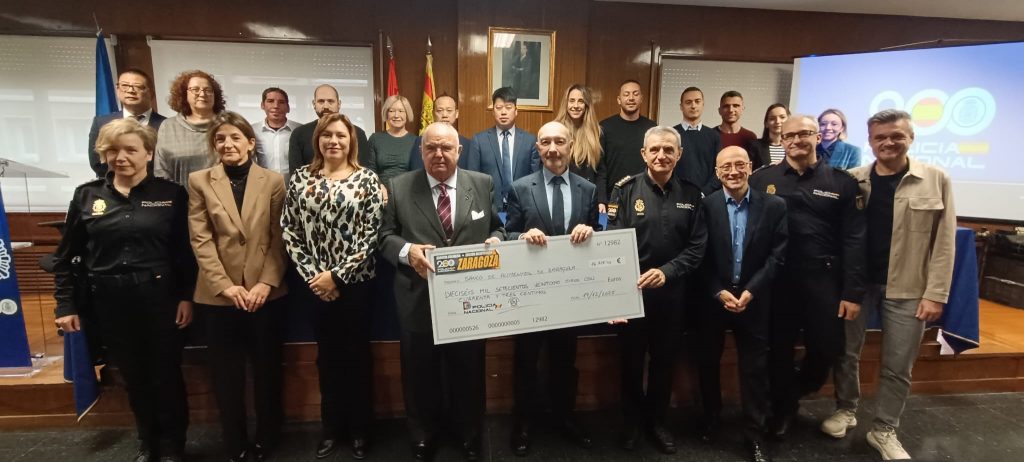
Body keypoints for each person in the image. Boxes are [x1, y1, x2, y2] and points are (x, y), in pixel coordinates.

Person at [53, 118, 195, 462]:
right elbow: (66, 256)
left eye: (131, 150)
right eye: (113, 150)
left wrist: (186, 296)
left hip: (160, 299)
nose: (121, 157)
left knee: (166, 375)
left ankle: (174, 445)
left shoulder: (171, 194)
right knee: (133, 377)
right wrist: (65, 305)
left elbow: (184, 253)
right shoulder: (87, 196)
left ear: (149, 153)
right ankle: (148, 442)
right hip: (110, 302)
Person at [822, 110, 956, 461]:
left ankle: (884, 429)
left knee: (898, 364)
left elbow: (944, 243)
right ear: (869, 141)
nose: (888, 143)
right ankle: (846, 409)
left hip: (909, 286)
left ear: (911, 137)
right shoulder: (854, 180)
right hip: (857, 286)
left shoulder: (935, 179)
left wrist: (936, 294)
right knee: (846, 352)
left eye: (897, 136)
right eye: (880, 137)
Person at [380, 122, 505, 461]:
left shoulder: (482, 183)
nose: (438, 154)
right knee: (419, 373)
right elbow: (385, 236)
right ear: (421, 151)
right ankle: (423, 434)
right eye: (431, 147)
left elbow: (497, 226)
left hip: (470, 299)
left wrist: (497, 240)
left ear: (459, 151)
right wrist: (408, 252)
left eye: (446, 147)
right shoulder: (399, 186)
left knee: (469, 370)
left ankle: (469, 433)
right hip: (418, 297)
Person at [749, 115, 865, 440]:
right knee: (779, 348)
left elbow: (854, 240)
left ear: (817, 137)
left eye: (804, 134)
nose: (797, 140)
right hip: (778, 280)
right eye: (790, 135)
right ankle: (783, 409)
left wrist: (852, 292)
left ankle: (799, 387)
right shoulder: (763, 179)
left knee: (827, 348)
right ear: (781, 140)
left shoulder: (841, 182)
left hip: (823, 279)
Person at [281, 113, 384, 460]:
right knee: (326, 358)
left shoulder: (367, 179)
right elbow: (289, 230)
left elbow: (371, 234)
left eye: (341, 135)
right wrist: (317, 276)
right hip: (314, 286)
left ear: (351, 140)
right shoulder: (301, 178)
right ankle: (331, 428)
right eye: (327, 135)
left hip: (357, 284)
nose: (334, 141)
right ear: (318, 140)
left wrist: (336, 276)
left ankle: (360, 430)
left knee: (357, 356)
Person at [187, 111, 288, 462]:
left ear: (249, 142)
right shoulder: (199, 181)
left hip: (265, 294)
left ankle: (268, 437)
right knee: (226, 377)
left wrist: (266, 282)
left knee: (267, 372)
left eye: (235, 137)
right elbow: (200, 239)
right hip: (220, 298)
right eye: (220, 139)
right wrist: (226, 287)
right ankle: (235, 442)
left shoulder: (273, 181)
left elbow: (280, 237)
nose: (227, 144)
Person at [606, 126, 707, 455]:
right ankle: (631, 423)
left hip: (673, 295)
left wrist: (667, 272)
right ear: (644, 154)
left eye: (668, 150)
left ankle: (658, 422)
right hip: (633, 294)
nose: (661, 155)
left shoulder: (692, 194)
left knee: (664, 362)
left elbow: (696, 248)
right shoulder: (624, 190)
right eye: (654, 150)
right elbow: (612, 243)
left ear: (679, 154)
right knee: (631, 363)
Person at [504, 121, 600, 456]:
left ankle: (565, 417)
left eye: (559, 141)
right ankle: (523, 423)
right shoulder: (520, 187)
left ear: (571, 145)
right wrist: (522, 236)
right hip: (531, 292)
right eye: (545, 142)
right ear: (538, 148)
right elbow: (507, 233)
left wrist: (591, 232)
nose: (553, 149)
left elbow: (597, 236)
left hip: (570, 292)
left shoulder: (588, 189)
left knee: (565, 360)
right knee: (526, 361)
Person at [697, 146, 787, 462]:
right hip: (714, 300)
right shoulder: (705, 206)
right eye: (726, 167)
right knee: (708, 362)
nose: (733, 171)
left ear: (750, 167)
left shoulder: (774, 206)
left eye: (739, 165)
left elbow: (778, 255)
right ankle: (711, 419)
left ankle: (754, 434)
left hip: (754, 300)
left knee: (755, 370)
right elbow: (698, 255)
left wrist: (752, 290)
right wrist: (717, 291)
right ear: (717, 171)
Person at [466, 86, 540, 212]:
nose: (503, 112)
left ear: (516, 111)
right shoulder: (479, 140)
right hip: (489, 209)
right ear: (493, 111)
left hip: (523, 209)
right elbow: (472, 180)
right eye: (499, 107)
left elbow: (535, 180)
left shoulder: (530, 141)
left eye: (508, 107)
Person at [88, 68, 166, 177]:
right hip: (113, 185)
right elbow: (96, 162)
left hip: (155, 185)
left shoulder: (166, 125)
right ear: (117, 89)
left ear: (151, 92)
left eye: (138, 86)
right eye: (124, 85)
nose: (130, 90)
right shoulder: (101, 122)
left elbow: (167, 163)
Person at [154, 69, 225, 185]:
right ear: (184, 94)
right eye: (195, 89)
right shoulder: (168, 126)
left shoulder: (228, 124)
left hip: (222, 194)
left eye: (208, 90)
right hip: (179, 194)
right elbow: (161, 169)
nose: (202, 94)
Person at [595, 80, 657, 209]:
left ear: (641, 99)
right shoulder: (605, 127)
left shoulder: (652, 128)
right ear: (619, 100)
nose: (631, 98)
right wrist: (601, 198)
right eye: (626, 94)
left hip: (645, 195)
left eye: (635, 94)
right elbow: (601, 167)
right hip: (613, 196)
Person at [288, 84, 370, 175]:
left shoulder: (357, 133)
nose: (326, 106)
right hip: (308, 183)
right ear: (314, 104)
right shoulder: (299, 134)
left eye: (331, 101)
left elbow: (363, 170)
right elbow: (296, 173)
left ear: (339, 104)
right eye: (321, 101)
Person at [672, 86, 722, 195]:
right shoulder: (671, 135)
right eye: (688, 102)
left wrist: (704, 192)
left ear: (703, 104)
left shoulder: (714, 136)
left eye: (697, 101)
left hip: (707, 197)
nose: (693, 106)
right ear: (681, 107)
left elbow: (720, 169)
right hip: (676, 195)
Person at [554, 83, 602, 186]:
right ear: (566, 104)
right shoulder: (555, 130)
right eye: (572, 101)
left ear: (587, 105)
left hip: (589, 191)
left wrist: (601, 196)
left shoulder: (596, 132)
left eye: (581, 101)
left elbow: (601, 172)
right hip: (562, 189)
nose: (576, 106)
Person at [408, 94, 472, 171]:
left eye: (449, 110)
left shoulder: (468, 144)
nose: (444, 115)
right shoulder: (421, 141)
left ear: (456, 113)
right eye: (440, 110)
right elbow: (416, 171)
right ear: (433, 114)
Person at [251, 87, 302, 179]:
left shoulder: (300, 130)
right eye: (270, 101)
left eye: (281, 102)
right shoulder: (252, 131)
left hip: (294, 185)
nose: (276, 106)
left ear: (288, 108)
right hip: (264, 185)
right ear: (262, 105)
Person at [367, 94, 417, 185]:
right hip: (379, 190)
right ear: (386, 114)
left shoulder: (416, 141)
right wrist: (379, 187)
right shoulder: (375, 139)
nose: (396, 115)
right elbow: (369, 171)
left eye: (401, 111)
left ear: (407, 114)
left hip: (408, 190)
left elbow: (418, 174)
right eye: (391, 111)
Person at [746, 104, 790, 170]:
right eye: (772, 118)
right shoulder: (755, 146)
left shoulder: (794, 146)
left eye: (782, 117)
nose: (777, 121)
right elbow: (749, 172)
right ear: (766, 123)